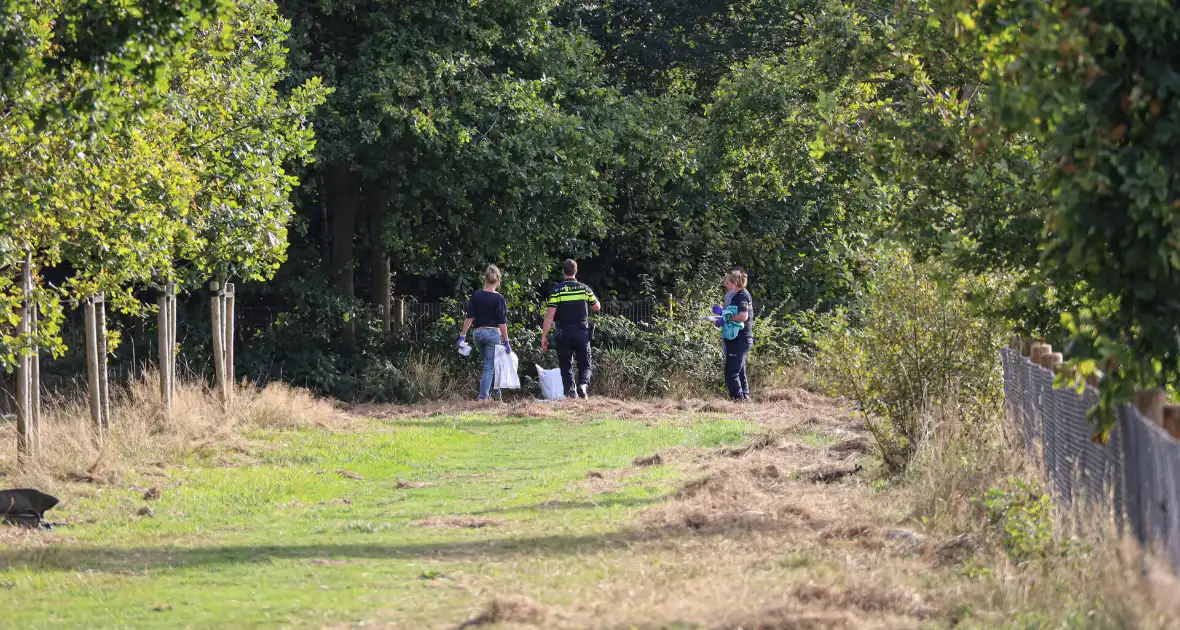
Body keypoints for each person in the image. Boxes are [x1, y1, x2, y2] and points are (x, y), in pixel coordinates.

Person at [540, 259, 601, 398]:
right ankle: (583, 385)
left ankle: (570, 393)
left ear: (563, 272)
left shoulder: (557, 290)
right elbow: (597, 307)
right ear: (576, 271)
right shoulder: (584, 288)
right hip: (581, 332)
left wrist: (544, 337)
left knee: (566, 365)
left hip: (563, 333)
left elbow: (549, 317)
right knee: (585, 364)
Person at [458, 265, 511, 400]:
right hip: (492, 334)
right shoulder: (498, 298)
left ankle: (496, 394)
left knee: (489, 364)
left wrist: (462, 335)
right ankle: (483, 397)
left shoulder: (476, 295)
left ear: (485, 279)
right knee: (489, 365)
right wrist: (506, 340)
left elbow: (469, 317)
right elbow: (502, 322)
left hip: (478, 334)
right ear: (498, 280)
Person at [716, 269, 753, 401]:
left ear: (735, 283)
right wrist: (722, 313)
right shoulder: (736, 295)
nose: (725, 283)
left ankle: (737, 399)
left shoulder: (742, 295)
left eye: (728, 281)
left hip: (740, 338)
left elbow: (743, 316)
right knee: (740, 370)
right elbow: (732, 313)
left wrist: (726, 319)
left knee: (731, 372)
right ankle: (745, 397)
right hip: (737, 337)